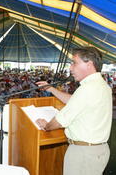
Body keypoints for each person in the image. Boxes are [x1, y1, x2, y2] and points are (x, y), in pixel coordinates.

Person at [36, 47, 112, 175]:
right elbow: (75, 101)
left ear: (89, 65)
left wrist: (46, 126)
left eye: (74, 63)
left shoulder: (87, 89)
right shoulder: (101, 85)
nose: (71, 68)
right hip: (97, 150)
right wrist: (52, 89)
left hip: (83, 153)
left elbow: (60, 121)